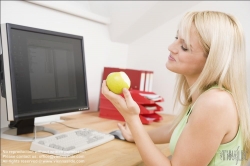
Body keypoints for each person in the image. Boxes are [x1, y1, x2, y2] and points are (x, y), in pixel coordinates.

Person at [102, 11, 250, 166]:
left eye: (184, 47)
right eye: (176, 38)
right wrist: (136, 135)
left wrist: (132, 119)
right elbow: (179, 130)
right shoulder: (207, 95)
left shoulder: (215, 103)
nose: (171, 47)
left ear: (212, 60)